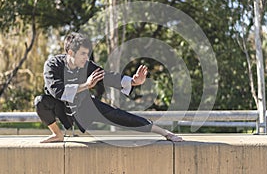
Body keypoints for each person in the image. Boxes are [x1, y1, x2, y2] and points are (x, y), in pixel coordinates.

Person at [34, 32, 183, 143]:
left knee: (120, 115)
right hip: (59, 106)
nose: (86, 58)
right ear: (71, 52)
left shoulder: (86, 65)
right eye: (83, 54)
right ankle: (57, 134)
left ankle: (165, 133)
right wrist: (86, 85)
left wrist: (133, 81)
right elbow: (57, 91)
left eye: (88, 54)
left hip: (83, 105)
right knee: (40, 101)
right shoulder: (52, 65)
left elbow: (108, 76)